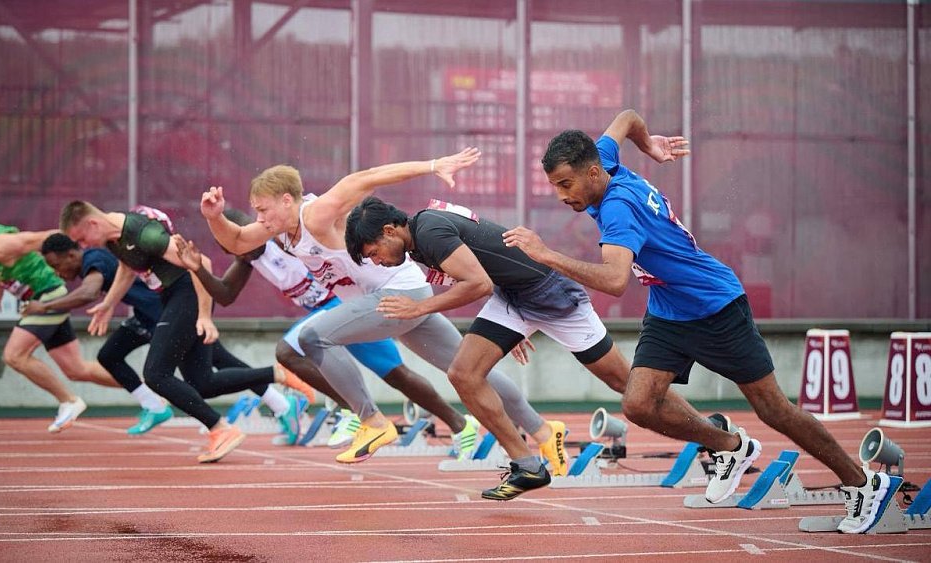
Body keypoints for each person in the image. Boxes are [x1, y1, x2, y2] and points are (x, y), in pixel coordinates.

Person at [502, 108, 890, 533]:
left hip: (715, 306)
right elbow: (628, 118)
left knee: (773, 409)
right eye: (554, 185)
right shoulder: (605, 158)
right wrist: (649, 145)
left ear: (592, 173)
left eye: (565, 184)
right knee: (638, 403)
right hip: (670, 311)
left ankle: (863, 482)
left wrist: (546, 255)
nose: (561, 195)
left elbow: (614, 280)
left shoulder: (618, 210)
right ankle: (731, 446)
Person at [201, 150, 568, 500]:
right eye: (255, 213)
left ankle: (372, 422)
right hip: (404, 298)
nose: (259, 219)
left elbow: (367, 178)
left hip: (397, 295)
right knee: (468, 370)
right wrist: (215, 217)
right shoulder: (277, 231)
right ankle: (542, 430)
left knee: (314, 338)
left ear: (286, 200)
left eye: (263, 210)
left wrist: (433, 165)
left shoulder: (315, 215)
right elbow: (234, 240)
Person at [346, 196, 693, 499]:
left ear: (390, 230)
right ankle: (527, 464)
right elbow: (490, 269)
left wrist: (419, 307)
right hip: (512, 298)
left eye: (374, 253)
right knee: (463, 373)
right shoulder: (420, 237)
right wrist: (509, 331)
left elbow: (477, 283)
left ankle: (709, 432)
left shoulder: (429, 231)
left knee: (625, 384)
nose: (377, 262)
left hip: (550, 292)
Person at [175, 208, 475, 451]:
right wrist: (196, 267)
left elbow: (317, 237)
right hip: (330, 317)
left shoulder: (281, 240)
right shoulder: (248, 261)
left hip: (343, 306)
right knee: (386, 372)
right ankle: (365, 413)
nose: (235, 253)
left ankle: (450, 423)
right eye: (228, 250)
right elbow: (225, 295)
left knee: (391, 372)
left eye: (235, 244)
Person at [58, 201, 281, 463]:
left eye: (81, 239)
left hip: (187, 294)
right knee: (202, 383)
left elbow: (202, 264)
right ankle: (280, 374)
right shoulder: (112, 239)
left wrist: (205, 316)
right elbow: (128, 267)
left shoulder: (144, 233)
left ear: (92, 224)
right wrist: (108, 303)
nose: (83, 246)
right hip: (170, 297)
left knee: (155, 373)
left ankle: (221, 429)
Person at [36, 233, 308, 439]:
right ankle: (154, 406)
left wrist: (45, 305)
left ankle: (280, 404)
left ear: (72, 252)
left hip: (166, 314)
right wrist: (109, 305)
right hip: (147, 316)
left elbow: (89, 291)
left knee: (210, 370)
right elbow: (124, 275)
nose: (58, 273)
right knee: (110, 355)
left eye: (55, 264)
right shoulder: (111, 255)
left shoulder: (94, 260)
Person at [0, 221, 122, 433]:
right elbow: (16, 262)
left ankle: (69, 401)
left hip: (48, 296)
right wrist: (0, 286)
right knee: (77, 369)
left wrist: (91, 237)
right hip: (43, 297)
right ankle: (145, 389)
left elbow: (48, 237)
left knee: (14, 356)